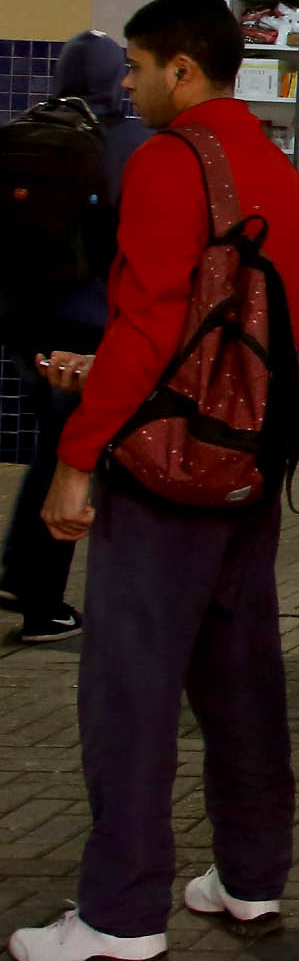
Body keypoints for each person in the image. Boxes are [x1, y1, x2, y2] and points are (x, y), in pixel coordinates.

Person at [7, 0, 299, 961]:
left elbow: (147, 325)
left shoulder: (170, 162)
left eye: (138, 68)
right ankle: (252, 873)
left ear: (183, 67)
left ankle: (122, 908)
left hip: (162, 471)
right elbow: (243, 335)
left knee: (130, 690)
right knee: (240, 675)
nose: (129, 87)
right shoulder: (274, 164)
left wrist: (78, 454)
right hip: (247, 461)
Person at [0, 33, 150, 646]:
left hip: (21, 321)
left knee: (55, 440)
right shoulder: (132, 145)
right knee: (73, 453)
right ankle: (41, 598)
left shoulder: (24, 131)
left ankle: (23, 573)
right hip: (90, 326)